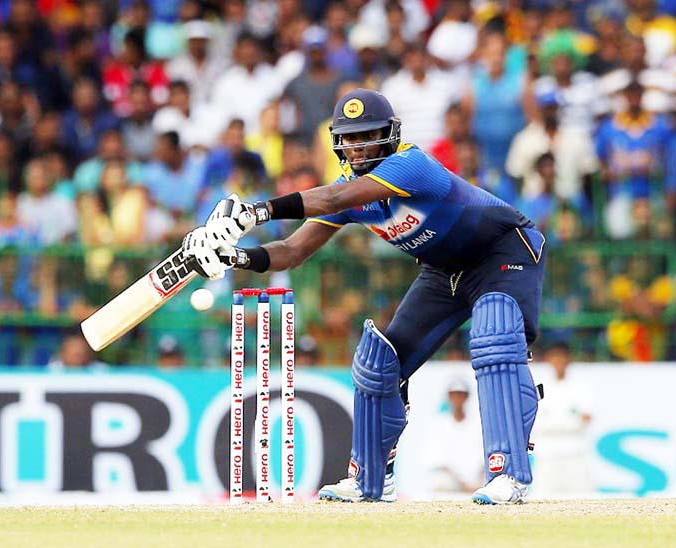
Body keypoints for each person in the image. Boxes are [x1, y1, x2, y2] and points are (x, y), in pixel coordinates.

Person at [182, 88, 546, 505]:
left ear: (390, 135)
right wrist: (233, 255)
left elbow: (334, 198)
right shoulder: (347, 190)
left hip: (503, 250)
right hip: (443, 270)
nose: (357, 147)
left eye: (367, 135)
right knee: (379, 362)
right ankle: (371, 479)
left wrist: (256, 211)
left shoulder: (410, 165)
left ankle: (509, 474)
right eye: (350, 138)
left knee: (494, 330)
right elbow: (292, 252)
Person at [530, 342, 593, 497]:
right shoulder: (540, 387)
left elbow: (586, 418)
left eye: (562, 357)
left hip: (574, 453)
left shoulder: (579, 387)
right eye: (554, 357)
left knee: (583, 500)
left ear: (568, 360)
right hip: (547, 455)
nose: (558, 362)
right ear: (548, 360)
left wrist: (552, 422)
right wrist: (570, 420)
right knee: (542, 500)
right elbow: (535, 420)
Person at [427, 378, 484, 497]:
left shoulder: (479, 423)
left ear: (467, 397)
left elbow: (485, 457)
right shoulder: (440, 423)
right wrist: (461, 484)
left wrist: (477, 480)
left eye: (461, 394)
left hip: (476, 477)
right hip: (450, 478)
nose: (458, 398)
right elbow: (438, 460)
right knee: (440, 482)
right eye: (454, 394)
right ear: (449, 397)